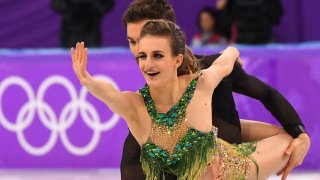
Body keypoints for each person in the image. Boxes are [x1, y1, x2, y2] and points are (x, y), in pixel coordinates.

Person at [70, 19, 295, 179]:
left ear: (177, 60)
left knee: (288, 141)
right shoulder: (135, 107)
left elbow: (224, 63)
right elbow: (109, 94)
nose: (148, 65)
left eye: (157, 55)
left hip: (231, 171)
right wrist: (86, 79)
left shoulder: (200, 85)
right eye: (142, 56)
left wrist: (233, 52)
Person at [121, 0, 310, 179]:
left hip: (234, 164)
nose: (138, 51)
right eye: (132, 42)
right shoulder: (145, 106)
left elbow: (267, 94)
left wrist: (301, 134)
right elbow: (131, 165)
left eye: (144, 37)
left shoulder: (213, 68)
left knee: (288, 139)